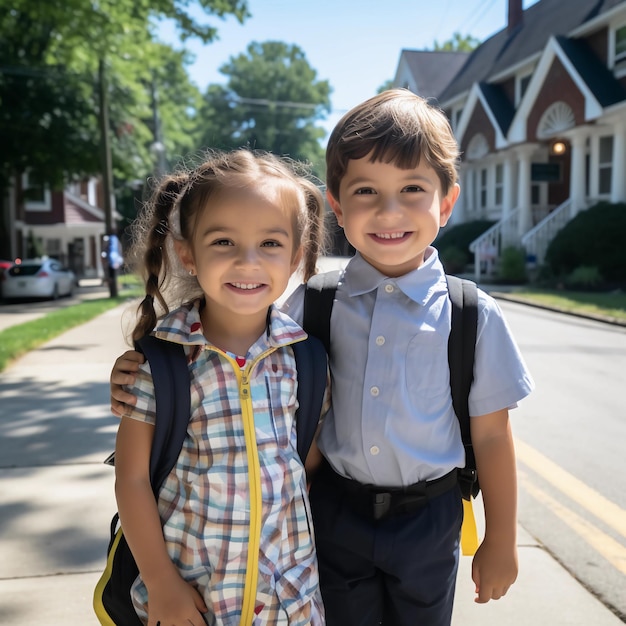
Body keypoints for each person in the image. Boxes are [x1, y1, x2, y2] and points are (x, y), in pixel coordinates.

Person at [111, 90, 534, 625]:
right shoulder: (308, 304)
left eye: (412, 189)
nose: (389, 211)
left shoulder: (472, 313)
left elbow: (493, 436)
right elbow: (233, 327)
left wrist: (502, 538)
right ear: (336, 205)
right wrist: (140, 368)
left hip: (429, 519)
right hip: (333, 516)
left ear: (446, 203)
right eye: (365, 191)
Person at [111, 148, 327, 626]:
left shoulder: (306, 359)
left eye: (270, 243)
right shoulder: (161, 364)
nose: (248, 262)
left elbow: (305, 466)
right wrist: (163, 583)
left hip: (288, 600)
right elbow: (130, 481)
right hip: (192, 601)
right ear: (188, 254)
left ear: (295, 255)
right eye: (224, 242)